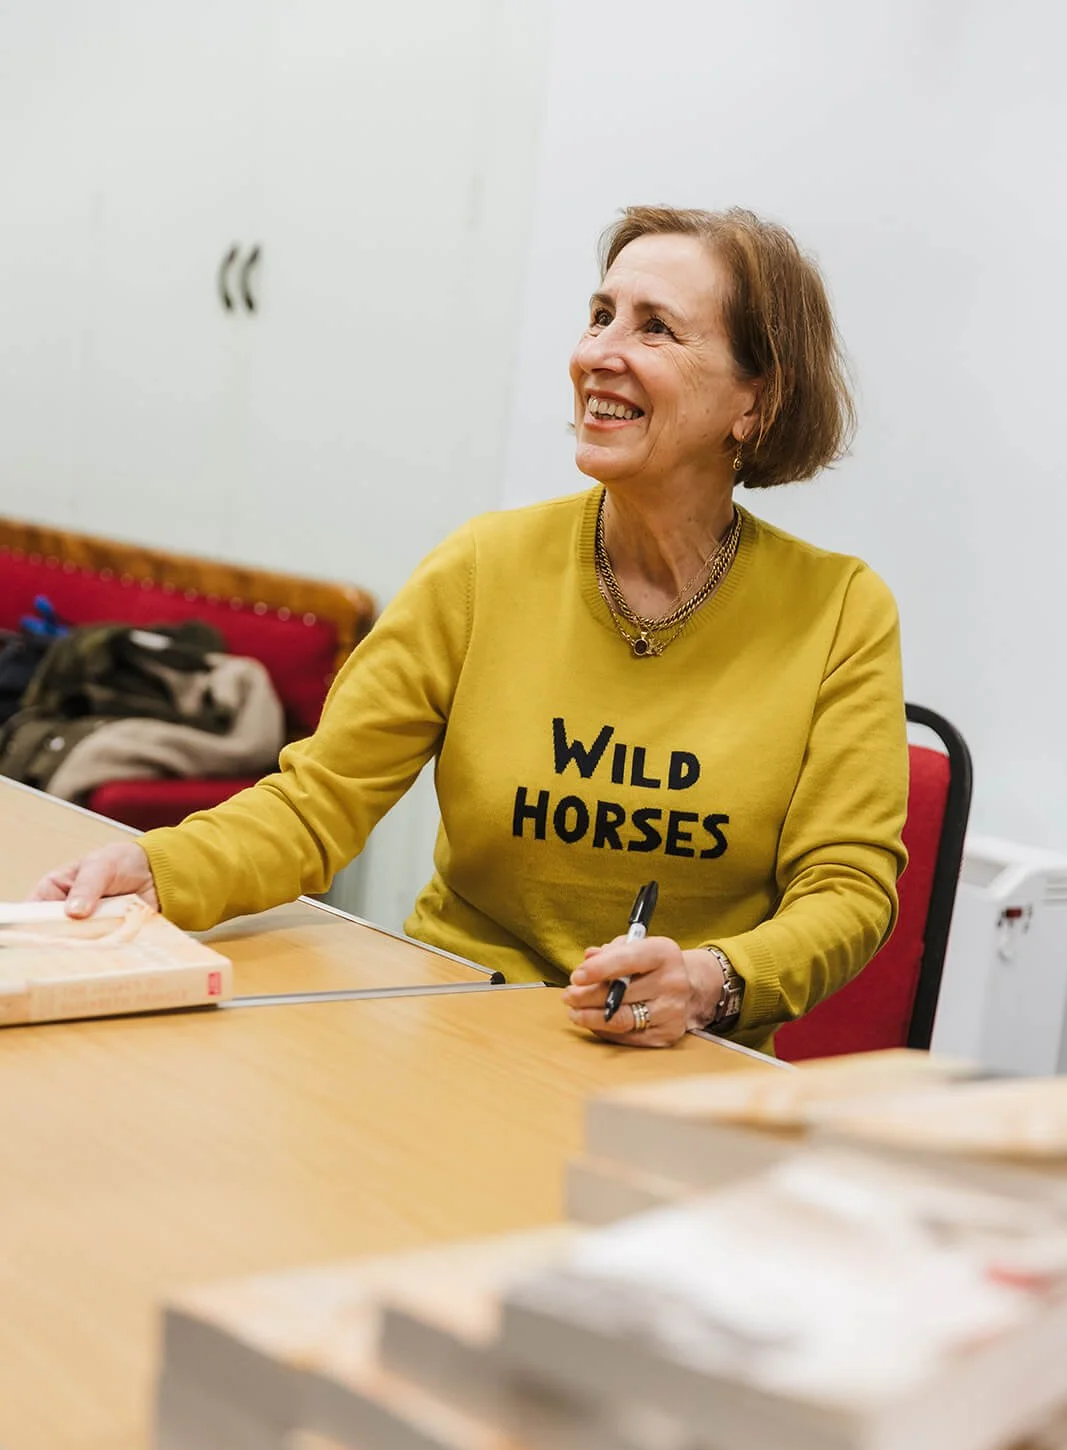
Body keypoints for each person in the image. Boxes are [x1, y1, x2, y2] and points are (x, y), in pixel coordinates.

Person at [30, 206, 908, 1054]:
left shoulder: (837, 611)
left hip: (685, 1058)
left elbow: (847, 890)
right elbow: (319, 803)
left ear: (753, 402)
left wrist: (712, 976)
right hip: (460, 1013)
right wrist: (159, 871)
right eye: (599, 314)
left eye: (654, 329)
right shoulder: (484, 567)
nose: (596, 353)